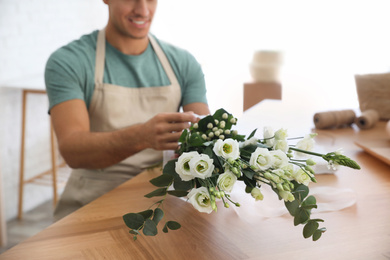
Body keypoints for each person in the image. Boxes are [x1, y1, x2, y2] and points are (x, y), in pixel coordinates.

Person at [45, 0, 210, 220]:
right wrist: (141, 136)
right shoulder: (68, 62)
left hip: (162, 200)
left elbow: (205, 135)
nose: (143, 10)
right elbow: (72, 151)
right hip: (92, 201)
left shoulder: (184, 63)